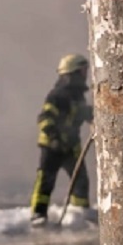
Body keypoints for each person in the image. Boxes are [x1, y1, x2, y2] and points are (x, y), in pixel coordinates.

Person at [30, 53, 94, 226]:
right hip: (52, 146)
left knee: (80, 179)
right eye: (82, 70)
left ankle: (80, 213)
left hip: (71, 146)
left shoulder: (77, 96)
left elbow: (81, 113)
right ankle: (38, 214)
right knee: (46, 180)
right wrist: (55, 138)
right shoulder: (57, 95)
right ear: (72, 73)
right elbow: (45, 118)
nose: (85, 74)